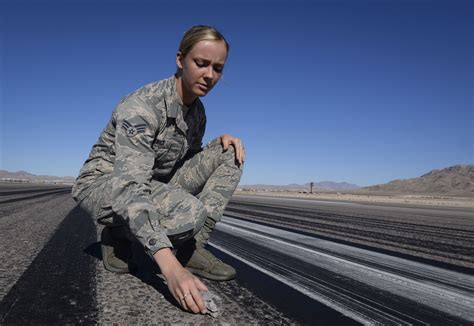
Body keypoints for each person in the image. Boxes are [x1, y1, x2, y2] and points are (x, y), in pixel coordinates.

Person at [71, 25, 244, 315]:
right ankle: (117, 236)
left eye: (218, 68)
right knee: (189, 211)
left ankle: (190, 248)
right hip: (106, 185)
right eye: (201, 64)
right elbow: (130, 187)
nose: (210, 75)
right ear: (180, 60)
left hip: (151, 181)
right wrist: (171, 269)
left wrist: (216, 147)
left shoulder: (198, 112)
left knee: (230, 154)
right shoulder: (143, 106)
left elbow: (186, 161)